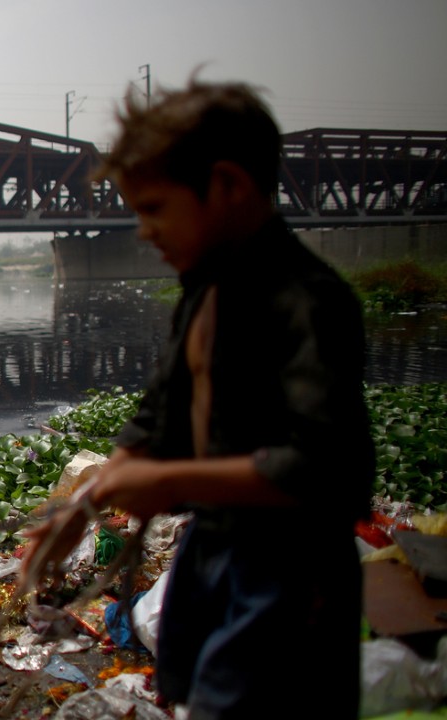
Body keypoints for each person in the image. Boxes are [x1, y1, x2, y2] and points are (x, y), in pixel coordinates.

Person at [22, 79, 373, 718]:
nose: (143, 230)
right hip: (211, 550)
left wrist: (168, 481)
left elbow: (327, 470)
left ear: (229, 186)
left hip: (291, 574)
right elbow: (155, 418)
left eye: (154, 208)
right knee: (190, 693)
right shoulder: (203, 293)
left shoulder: (308, 302)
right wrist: (80, 506)